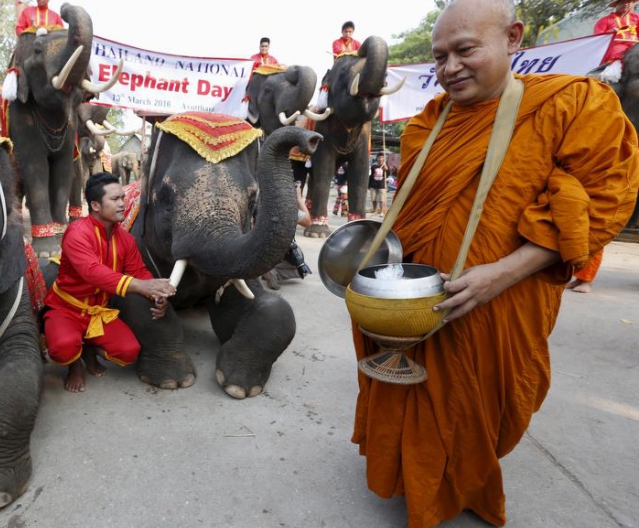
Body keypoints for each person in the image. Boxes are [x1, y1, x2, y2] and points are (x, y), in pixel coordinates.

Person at [349, 1, 639, 527]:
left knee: (478, 402)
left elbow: (596, 204)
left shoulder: (573, 105)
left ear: (513, 37)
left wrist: (501, 273)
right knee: (414, 392)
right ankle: (413, 485)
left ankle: (460, 485)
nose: (450, 67)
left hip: (507, 295)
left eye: (465, 50)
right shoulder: (430, 124)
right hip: (418, 299)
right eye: (440, 57)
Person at [43, 173, 176, 392]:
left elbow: (139, 271)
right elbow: (92, 272)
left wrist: (156, 294)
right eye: (115, 200)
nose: (123, 204)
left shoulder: (125, 239)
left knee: (129, 351)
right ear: (95, 205)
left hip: (98, 311)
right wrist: (140, 286)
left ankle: (88, 349)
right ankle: (74, 365)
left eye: (122, 198)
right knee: (62, 347)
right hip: (67, 308)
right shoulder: (77, 232)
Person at [263, 183, 313, 289]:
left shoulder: (261, 205)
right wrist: (299, 199)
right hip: (280, 251)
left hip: (258, 251)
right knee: (302, 268)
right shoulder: (288, 209)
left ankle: (261, 271)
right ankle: (275, 272)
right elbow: (308, 222)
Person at [594, 0, 639, 82]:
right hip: (617, 46)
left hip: (635, 44)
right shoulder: (604, 21)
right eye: (623, 2)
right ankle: (609, 75)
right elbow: (597, 39)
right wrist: (609, 32)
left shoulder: (636, 18)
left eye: (629, 2)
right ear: (616, 4)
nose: (626, 4)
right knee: (617, 54)